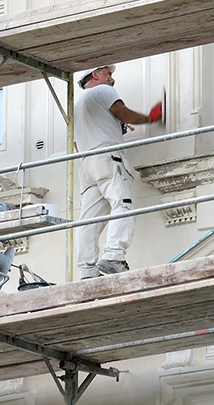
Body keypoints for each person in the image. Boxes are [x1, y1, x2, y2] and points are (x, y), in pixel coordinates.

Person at [74, 65, 162, 279]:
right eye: (108, 74)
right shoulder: (103, 91)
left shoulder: (77, 106)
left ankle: (87, 270)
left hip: (87, 164)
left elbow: (76, 144)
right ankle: (114, 255)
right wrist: (149, 118)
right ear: (96, 74)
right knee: (123, 204)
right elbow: (123, 112)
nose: (112, 79)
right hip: (108, 157)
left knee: (89, 220)